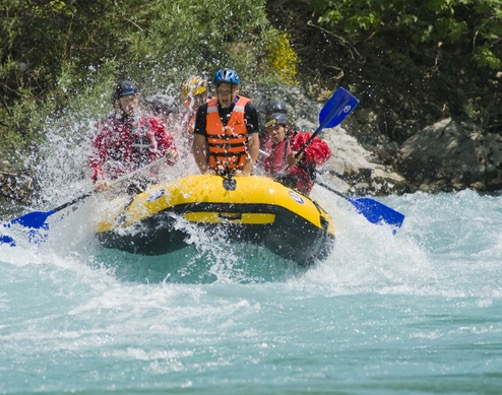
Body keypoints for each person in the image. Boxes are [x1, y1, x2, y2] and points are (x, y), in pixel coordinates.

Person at [89, 79, 179, 192]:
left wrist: (172, 154)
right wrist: (99, 179)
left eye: (132, 99)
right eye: (126, 101)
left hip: (150, 183)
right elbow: (94, 159)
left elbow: (170, 148)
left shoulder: (151, 122)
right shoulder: (106, 128)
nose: (130, 105)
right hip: (120, 187)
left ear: (138, 98)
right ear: (117, 103)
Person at [192, 68, 260, 176]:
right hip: (214, 171)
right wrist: (205, 171)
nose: (224, 95)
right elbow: (197, 145)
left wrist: (245, 172)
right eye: (221, 91)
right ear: (216, 90)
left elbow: (254, 144)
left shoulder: (248, 109)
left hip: (241, 171)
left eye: (228, 91)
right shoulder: (204, 111)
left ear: (237, 89)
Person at [262, 99, 332, 196]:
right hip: (279, 192)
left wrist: (303, 154)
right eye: (270, 130)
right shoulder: (272, 156)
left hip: (299, 191)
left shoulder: (301, 138)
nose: (273, 132)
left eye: (277, 128)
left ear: (285, 128)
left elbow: (325, 150)